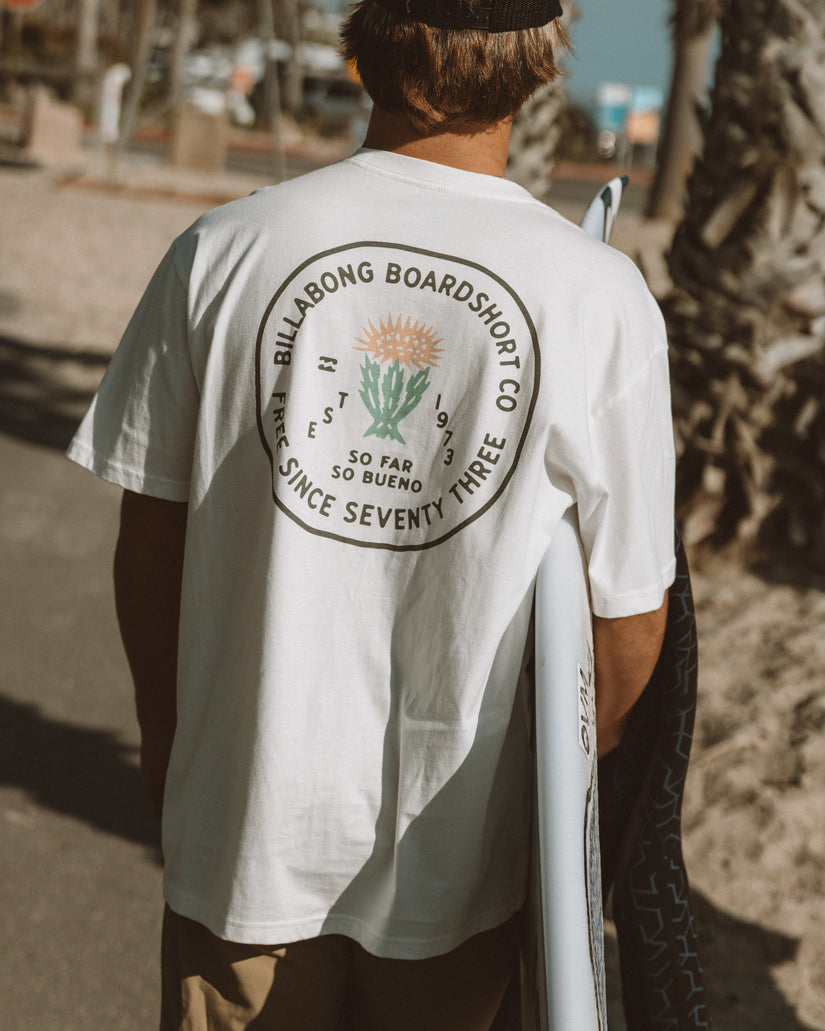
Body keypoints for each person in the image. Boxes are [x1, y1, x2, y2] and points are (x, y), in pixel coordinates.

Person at [67, 0, 674, 1027]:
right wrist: (551, 807)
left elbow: (153, 543)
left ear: (364, 47)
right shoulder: (599, 296)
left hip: (245, 830)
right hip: (462, 862)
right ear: (541, 62)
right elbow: (627, 625)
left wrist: (167, 736)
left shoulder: (226, 247)